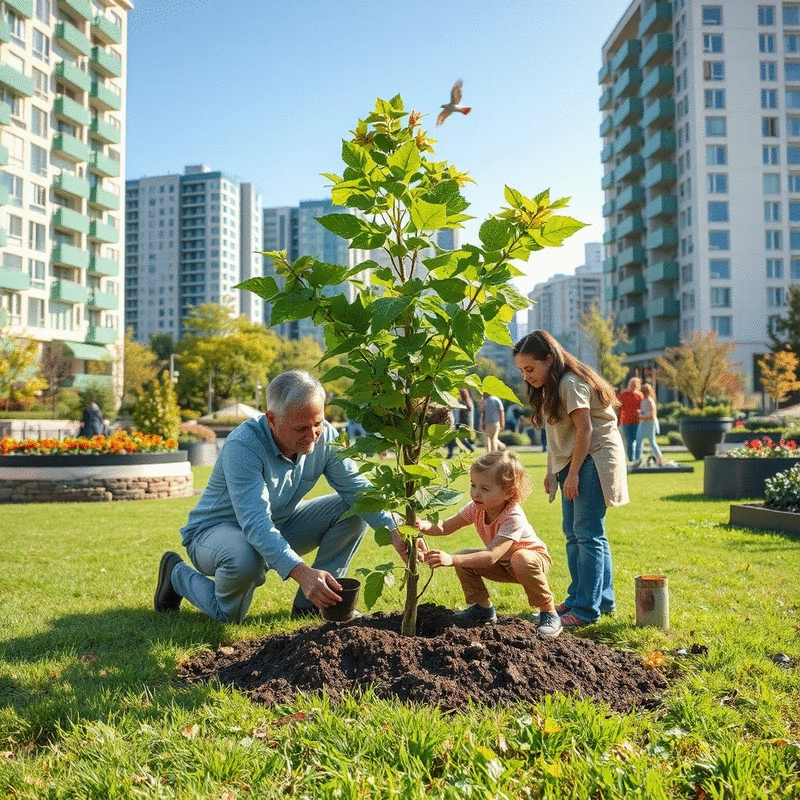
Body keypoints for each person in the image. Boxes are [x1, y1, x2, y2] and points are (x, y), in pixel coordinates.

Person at [154, 370, 402, 622]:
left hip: (278, 525)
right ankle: (176, 575)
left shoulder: (324, 436)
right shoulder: (243, 446)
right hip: (215, 534)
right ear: (271, 419)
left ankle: (312, 604)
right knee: (232, 603)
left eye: (317, 423)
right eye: (300, 428)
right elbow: (255, 522)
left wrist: (394, 529)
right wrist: (303, 573)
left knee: (354, 509)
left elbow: (357, 488)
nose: (312, 435)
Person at [512, 330, 628, 628]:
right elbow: (556, 432)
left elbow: (585, 430)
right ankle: (590, 599)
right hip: (575, 458)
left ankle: (587, 610)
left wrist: (573, 473)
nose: (526, 377)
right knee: (575, 532)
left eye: (530, 368)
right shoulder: (551, 386)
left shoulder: (571, 383)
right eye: (522, 371)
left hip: (594, 456)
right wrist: (552, 471)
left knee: (587, 532)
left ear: (549, 359)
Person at [417, 451, 562, 639]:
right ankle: (483, 609)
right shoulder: (476, 507)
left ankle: (549, 613)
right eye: (473, 485)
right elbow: (445, 526)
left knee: (519, 558)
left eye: (484, 488)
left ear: (508, 492)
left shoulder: (512, 516)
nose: (475, 492)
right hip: (504, 563)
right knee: (466, 559)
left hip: (532, 562)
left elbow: (492, 554)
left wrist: (451, 559)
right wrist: (423, 525)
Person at [635, 383, 663, 467]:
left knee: (651, 441)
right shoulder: (643, 401)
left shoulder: (650, 401)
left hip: (649, 423)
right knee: (639, 440)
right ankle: (638, 459)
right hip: (644, 422)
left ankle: (659, 459)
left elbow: (652, 414)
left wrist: (643, 417)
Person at [617, 377, 643, 464]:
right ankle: (631, 459)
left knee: (638, 440)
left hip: (637, 421)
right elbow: (619, 409)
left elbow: (642, 408)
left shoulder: (640, 396)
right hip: (626, 421)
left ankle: (638, 458)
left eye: (635, 385)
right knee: (629, 441)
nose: (633, 387)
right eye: (631, 385)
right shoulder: (623, 395)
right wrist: (617, 420)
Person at [446, 388, 477, 458]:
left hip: (462, 424)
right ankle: (453, 453)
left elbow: (464, 413)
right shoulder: (468, 402)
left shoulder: (466, 403)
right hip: (461, 424)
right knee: (455, 438)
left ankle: (471, 448)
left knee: (458, 439)